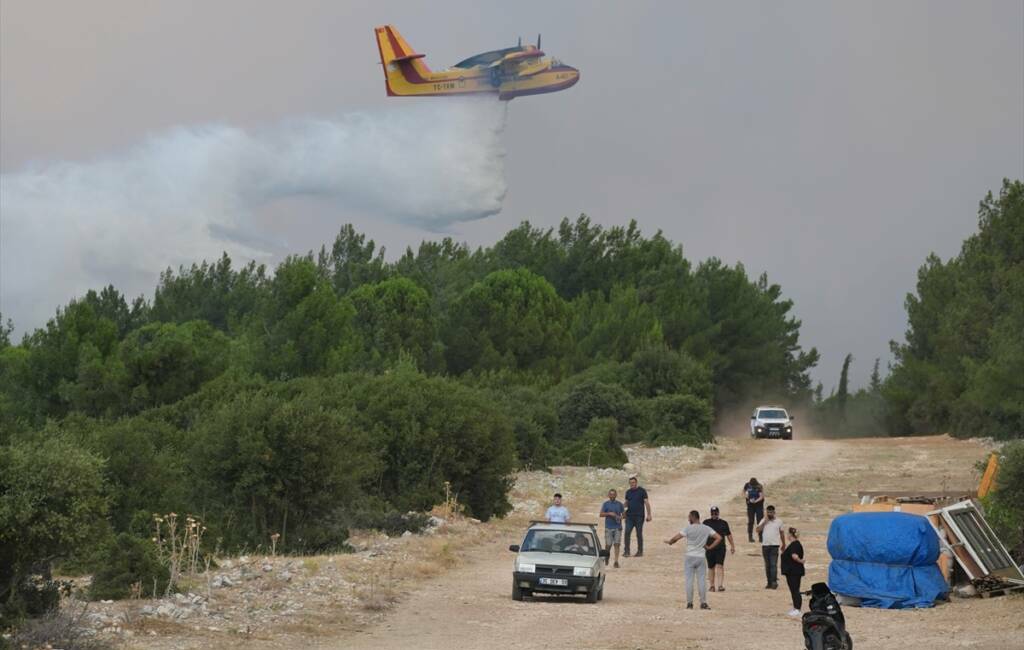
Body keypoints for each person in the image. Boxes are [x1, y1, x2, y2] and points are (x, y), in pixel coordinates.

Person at [664, 510, 722, 610]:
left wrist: (669, 542)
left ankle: (690, 603)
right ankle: (703, 603)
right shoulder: (706, 528)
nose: (688, 519)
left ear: (693, 517)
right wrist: (709, 547)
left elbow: (676, 538)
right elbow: (719, 538)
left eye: (689, 517)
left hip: (690, 556)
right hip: (701, 557)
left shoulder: (688, 528)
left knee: (689, 581)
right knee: (701, 581)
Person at [702, 506, 735, 592]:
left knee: (720, 565)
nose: (714, 514)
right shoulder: (706, 522)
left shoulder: (723, 523)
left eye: (715, 513)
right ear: (710, 513)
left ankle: (720, 585)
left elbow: (728, 535)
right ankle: (712, 586)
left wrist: (732, 545)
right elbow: (701, 534)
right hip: (709, 548)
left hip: (720, 548)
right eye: (712, 513)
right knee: (711, 567)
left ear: (718, 513)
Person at [756, 505, 786, 589]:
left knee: (773, 564)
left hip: (774, 545)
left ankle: (774, 582)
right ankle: (769, 582)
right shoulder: (763, 520)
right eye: (768, 512)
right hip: (765, 545)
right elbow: (758, 530)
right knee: (767, 565)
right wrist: (765, 521)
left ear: (774, 512)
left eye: (771, 512)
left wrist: (783, 544)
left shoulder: (779, 521)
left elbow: (782, 533)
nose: (769, 513)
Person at [623, 477, 652, 557]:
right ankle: (627, 551)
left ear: (636, 482)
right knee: (627, 533)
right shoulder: (628, 492)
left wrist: (649, 514)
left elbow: (646, 502)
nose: (632, 484)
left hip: (639, 516)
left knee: (639, 534)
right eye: (630, 483)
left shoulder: (642, 491)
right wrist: (623, 512)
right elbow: (626, 503)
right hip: (629, 517)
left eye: (633, 482)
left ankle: (640, 551)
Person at [781, 526, 805, 617]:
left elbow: (794, 556)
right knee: (794, 590)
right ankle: (795, 607)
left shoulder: (795, 545)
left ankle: (798, 609)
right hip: (791, 571)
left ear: (790, 535)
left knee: (795, 590)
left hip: (794, 572)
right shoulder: (794, 544)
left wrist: (801, 561)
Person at [599, 488, 625, 568]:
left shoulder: (620, 504)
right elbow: (601, 514)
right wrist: (609, 514)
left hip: (617, 527)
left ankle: (616, 561)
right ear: (608, 495)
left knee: (617, 544)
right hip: (608, 527)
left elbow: (624, 515)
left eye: (614, 494)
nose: (612, 496)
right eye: (611, 494)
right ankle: (607, 557)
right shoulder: (606, 504)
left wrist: (620, 517)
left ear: (616, 495)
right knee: (608, 545)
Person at [743, 477, 765, 543]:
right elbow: (744, 491)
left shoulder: (759, 486)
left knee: (760, 521)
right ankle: (750, 537)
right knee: (751, 521)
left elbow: (761, 496)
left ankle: (761, 537)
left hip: (759, 505)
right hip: (750, 506)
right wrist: (747, 497)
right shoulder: (747, 485)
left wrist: (755, 501)